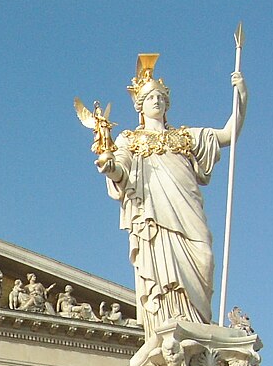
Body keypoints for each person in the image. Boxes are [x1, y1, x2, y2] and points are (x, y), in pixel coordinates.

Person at [95, 55, 247, 338]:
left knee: (204, 257)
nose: (156, 101)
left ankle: (199, 323)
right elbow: (121, 171)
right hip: (155, 216)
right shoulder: (130, 139)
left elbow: (228, 134)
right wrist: (111, 167)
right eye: (150, 97)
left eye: (160, 97)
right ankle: (169, 322)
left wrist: (241, 96)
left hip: (187, 209)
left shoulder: (186, 136)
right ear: (140, 106)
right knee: (163, 270)